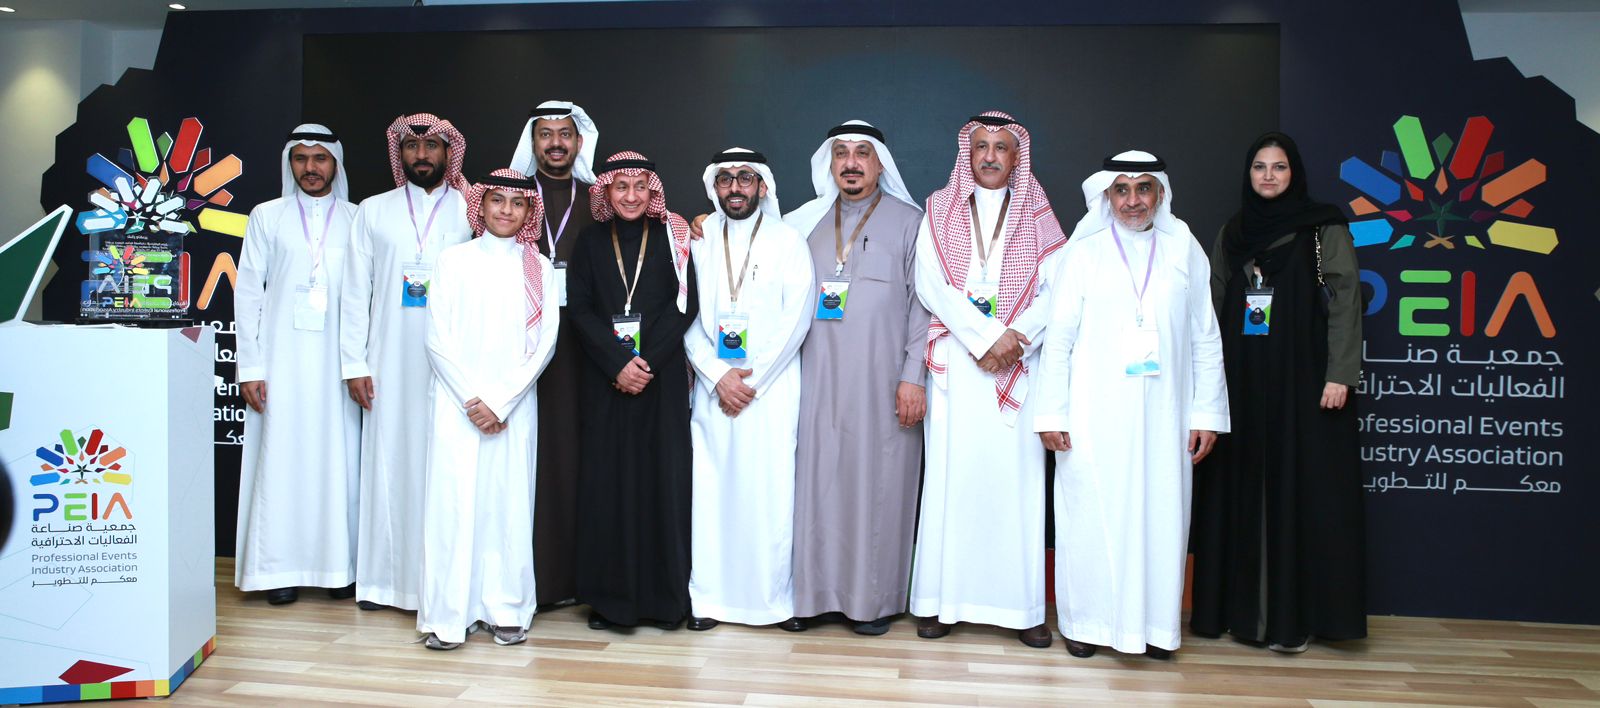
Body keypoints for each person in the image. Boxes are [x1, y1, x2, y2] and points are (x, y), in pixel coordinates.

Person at [1034, 150, 1229, 660]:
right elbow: (1058, 341)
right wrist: (1051, 413)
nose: (1133, 200)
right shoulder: (1084, 254)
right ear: (1107, 195)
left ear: (1160, 194)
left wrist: (1207, 413)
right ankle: (1086, 624)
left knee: (1161, 518)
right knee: (1089, 517)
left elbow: (1205, 335)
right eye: (1122, 189)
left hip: (1166, 417)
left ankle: (1156, 629)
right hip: (1092, 417)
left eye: (1144, 188)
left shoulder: (1183, 247)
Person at [1190, 132, 1366, 653]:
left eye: (1279, 167)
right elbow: (1211, 305)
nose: (1269, 176)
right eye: (1260, 167)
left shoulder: (1322, 226)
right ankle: (1240, 615)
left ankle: (1295, 619)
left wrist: (1340, 374)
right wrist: (1205, 384)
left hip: (1304, 382)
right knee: (1240, 490)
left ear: (1295, 173)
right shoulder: (1234, 231)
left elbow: (1346, 297)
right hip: (1240, 383)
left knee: (1302, 492)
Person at [910, 111, 1067, 649]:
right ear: (968, 153)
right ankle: (941, 603)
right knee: (951, 484)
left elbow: (1057, 290)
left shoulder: (1039, 214)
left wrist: (1015, 338)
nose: (991, 156)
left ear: (1016, 156)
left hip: (1016, 365)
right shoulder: (939, 209)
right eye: (981, 146)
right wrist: (985, 337)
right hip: (958, 366)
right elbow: (930, 284)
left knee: (1016, 489)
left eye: (1001, 147)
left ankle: (1022, 609)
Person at [786, 120, 929, 635]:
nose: (851, 163)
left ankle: (874, 601)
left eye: (862, 153)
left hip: (884, 384)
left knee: (880, 488)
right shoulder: (803, 223)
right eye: (841, 153)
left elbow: (924, 306)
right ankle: (813, 598)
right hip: (815, 382)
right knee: (817, 487)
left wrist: (914, 377)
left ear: (879, 164)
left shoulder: (911, 223)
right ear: (830, 163)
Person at [416, 169, 559, 650]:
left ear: (528, 212)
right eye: (497, 200)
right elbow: (436, 339)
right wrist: (471, 400)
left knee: (507, 506)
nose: (506, 210)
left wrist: (500, 401)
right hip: (456, 405)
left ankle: (508, 610)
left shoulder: (538, 266)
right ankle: (448, 615)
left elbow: (545, 344)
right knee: (452, 507)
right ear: (481, 205)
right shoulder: (452, 260)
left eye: (517, 203)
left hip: (512, 408)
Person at [340, 113, 472, 612]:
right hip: (387, 362)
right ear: (400, 153)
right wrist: (354, 363)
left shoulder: (471, 208)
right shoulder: (373, 210)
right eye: (412, 147)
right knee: (389, 464)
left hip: (453, 362)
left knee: (444, 468)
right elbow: (356, 291)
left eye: (432, 146)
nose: (422, 155)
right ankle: (383, 583)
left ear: (448, 152)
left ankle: (440, 586)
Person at [567, 151, 699, 631]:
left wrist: (646, 363)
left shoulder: (672, 236)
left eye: (640, 187)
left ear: (652, 192)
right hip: (606, 382)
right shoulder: (589, 241)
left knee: (661, 484)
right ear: (607, 190)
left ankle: (664, 601)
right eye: (621, 187)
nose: (631, 196)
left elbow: (686, 305)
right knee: (609, 486)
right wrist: (618, 363)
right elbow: (579, 309)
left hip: (660, 383)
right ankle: (611, 601)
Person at [684, 148, 814, 631]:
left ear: (762, 186)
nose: (735, 188)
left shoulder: (787, 241)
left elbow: (797, 318)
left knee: (769, 492)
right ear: (714, 187)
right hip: (713, 389)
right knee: (712, 492)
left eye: (745, 178)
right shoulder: (697, 242)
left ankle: (771, 601)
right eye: (725, 179)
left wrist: (750, 381)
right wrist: (718, 376)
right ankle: (709, 599)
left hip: (770, 392)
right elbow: (684, 316)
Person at [233, 125, 360, 605]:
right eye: (301, 158)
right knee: (281, 460)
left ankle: (338, 568)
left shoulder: (357, 218)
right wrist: (251, 368)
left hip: (338, 365)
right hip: (280, 361)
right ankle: (277, 570)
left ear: (335, 164)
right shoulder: (267, 216)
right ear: (290, 163)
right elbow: (249, 293)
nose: (310, 167)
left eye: (320, 158)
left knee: (338, 460)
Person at [509, 100, 601, 607]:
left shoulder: (599, 199)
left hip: (586, 351)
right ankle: (535, 579)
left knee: (578, 457)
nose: (556, 143)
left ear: (579, 142)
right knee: (533, 459)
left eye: (564, 134)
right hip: (523, 351)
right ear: (533, 142)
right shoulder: (513, 199)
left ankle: (577, 578)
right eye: (545, 134)